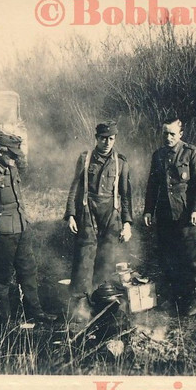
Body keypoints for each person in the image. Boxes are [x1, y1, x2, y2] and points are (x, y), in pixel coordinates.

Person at [0, 132, 54, 325]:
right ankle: (2, 321)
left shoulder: (11, 168)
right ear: (0, 151)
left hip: (22, 229)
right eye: (12, 154)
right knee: (2, 277)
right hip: (3, 234)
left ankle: (35, 312)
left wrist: (25, 222)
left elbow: (17, 200)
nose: (16, 158)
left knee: (28, 271)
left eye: (17, 154)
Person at [144, 117, 196, 316]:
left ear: (180, 134)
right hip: (165, 216)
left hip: (188, 216)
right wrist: (148, 210)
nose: (168, 137)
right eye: (165, 133)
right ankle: (174, 296)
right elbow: (153, 186)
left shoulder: (191, 153)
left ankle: (193, 299)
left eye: (172, 133)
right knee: (168, 256)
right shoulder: (158, 156)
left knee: (191, 257)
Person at [64, 120, 133, 297]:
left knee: (107, 257)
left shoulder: (121, 162)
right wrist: (71, 214)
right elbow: (75, 187)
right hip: (87, 212)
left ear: (115, 139)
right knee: (84, 257)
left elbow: (125, 196)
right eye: (103, 138)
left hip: (111, 214)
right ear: (96, 138)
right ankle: (81, 304)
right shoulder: (85, 159)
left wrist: (127, 223)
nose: (107, 142)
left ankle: (102, 298)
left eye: (111, 138)